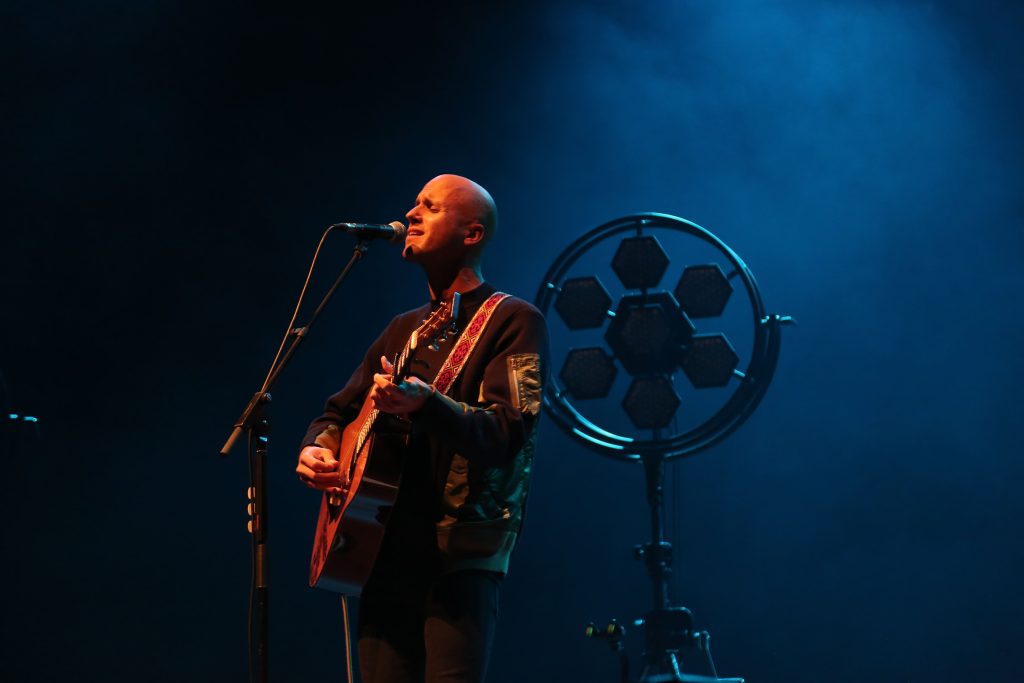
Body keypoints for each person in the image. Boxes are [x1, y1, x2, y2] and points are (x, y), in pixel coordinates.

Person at [296, 174, 549, 683]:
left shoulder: (516, 321)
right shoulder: (402, 328)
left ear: (471, 234)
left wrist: (426, 403)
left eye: (429, 207)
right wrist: (318, 449)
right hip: (380, 551)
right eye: (413, 204)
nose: (410, 214)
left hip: (456, 559)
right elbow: (337, 413)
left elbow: (508, 431)